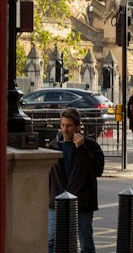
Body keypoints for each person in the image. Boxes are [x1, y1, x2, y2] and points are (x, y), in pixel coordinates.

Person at [48, 106, 104, 253]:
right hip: (56, 201)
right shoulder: (54, 146)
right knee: (51, 241)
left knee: (85, 242)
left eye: (69, 126)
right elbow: (48, 176)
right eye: (62, 125)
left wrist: (82, 149)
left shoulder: (91, 146)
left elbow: (97, 170)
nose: (65, 129)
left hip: (82, 201)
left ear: (78, 127)